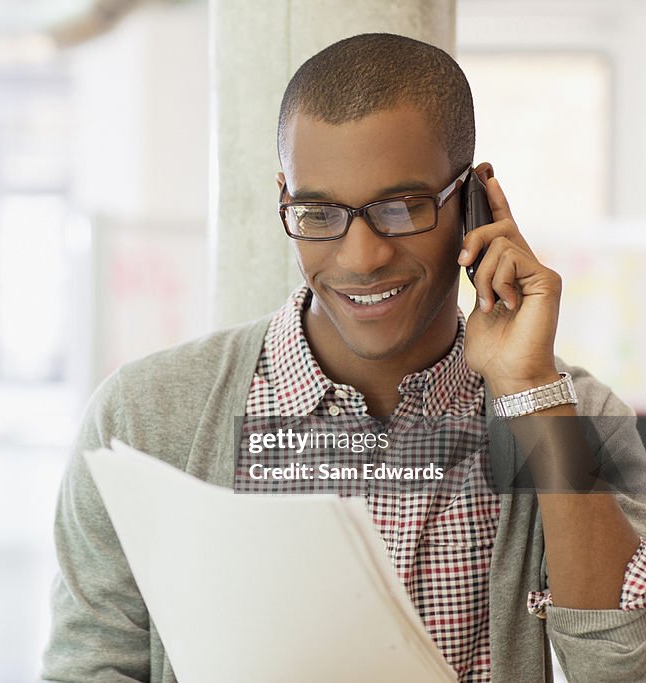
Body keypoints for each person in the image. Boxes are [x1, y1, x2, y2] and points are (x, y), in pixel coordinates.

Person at [42, 33, 646, 682]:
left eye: (402, 206)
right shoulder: (141, 419)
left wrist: (531, 390)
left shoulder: (574, 418)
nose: (361, 257)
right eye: (319, 212)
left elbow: (621, 669)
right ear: (284, 199)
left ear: (471, 200)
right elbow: (88, 668)